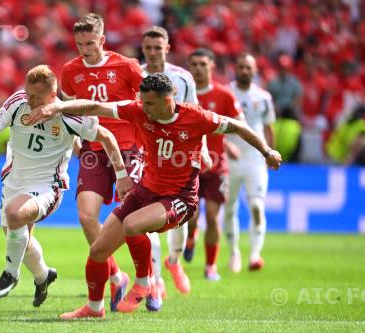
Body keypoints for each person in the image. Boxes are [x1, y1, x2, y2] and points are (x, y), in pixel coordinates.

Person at [26, 73, 282, 319]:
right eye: (143, 102)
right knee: (97, 251)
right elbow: (95, 106)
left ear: (167, 100)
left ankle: (144, 283)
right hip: (146, 191)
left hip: (179, 198)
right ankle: (94, 308)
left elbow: (237, 125)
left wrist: (267, 150)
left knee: (132, 225)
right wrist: (59, 106)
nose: (144, 108)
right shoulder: (139, 109)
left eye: (150, 103)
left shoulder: (196, 117)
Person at [0, 65, 133, 308]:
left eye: (36, 97)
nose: (29, 100)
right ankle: (43, 276)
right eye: (28, 94)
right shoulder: (18, 101)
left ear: (52, 95)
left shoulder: (69, 116)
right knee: (18, 238)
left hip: (48, 186)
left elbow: (106, 137)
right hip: (13, 182)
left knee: (15, 215)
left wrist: (121, 174)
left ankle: (10, 273)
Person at [60, 13, 144, 311]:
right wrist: (74, 141)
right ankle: (115, 273)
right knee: (86, 216)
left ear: (102, 40)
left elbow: (150, 101)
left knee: (133, 219)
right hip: (94, 149)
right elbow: (69, 112)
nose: (85, 49)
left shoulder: (126, 66)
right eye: (80, 43)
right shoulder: (70, 71)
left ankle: (149, 279)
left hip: (129, 149)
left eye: (90, 43)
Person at [140, 26, 200, 302]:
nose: (152, 53)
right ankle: (156, 281)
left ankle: (173, 262)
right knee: (146, 220)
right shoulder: (136, 75)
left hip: (179, 156)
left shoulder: (184, 79)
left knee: (178, 219)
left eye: (157, 48)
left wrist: (206, 151)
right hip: (145, 153)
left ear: (167, 47)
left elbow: (198, 117)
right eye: (147, 48)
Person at [184, 48, 243, 281]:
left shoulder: (224, 95)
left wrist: (228, 145)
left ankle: (210, 266)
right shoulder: (182, 92)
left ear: (212, 67)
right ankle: (190, 237)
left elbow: (238, 124)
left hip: (217, 165)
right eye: (194, 64)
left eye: (202, 64)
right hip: (189, 163)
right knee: (192, 216)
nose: (198, 68)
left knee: (211, 217)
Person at [223, 53, 276, 272]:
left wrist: (269, 154)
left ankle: (255, 255)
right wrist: (225, 146)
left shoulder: (263, 97)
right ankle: (234, 252)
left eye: (249, 68)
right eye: (242, 67)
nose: (245, 71)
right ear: (236, 68)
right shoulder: (227, 93)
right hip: (229, 159)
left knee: (256, 206)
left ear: (255, 71)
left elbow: (269, 128)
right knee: (229, 207)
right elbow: (217, 125)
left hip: (255, 160)